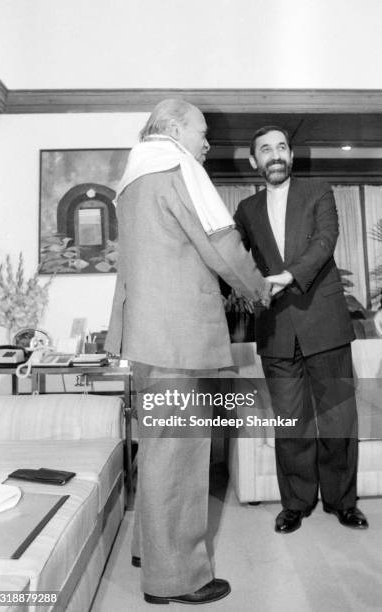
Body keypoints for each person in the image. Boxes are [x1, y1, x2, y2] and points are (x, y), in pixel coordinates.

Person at [105, 99, 271, 605]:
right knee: (179, 457)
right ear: (174, 129)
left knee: (158, 450)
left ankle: (148, 551)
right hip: (179, 338)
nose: (207, 142)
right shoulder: (178, 169)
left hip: (146, 337)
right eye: (201, 132)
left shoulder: (133, 176)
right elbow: (221, 246)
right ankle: (176, 580)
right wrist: (260, 288)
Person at [234, 125, 369, 534]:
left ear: (290, 156)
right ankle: (295, 503)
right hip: (275, 328)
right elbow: (235, 260)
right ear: (254, 161)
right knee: (290, 422)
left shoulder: (319, 192)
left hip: (324, 322)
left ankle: (343, 501)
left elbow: (325, 240)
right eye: (265, 150)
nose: (275, 155)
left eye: (281, 148)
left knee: (337, 418)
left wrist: (288, 275)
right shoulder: (245, 210)